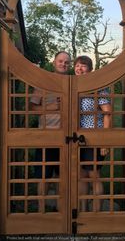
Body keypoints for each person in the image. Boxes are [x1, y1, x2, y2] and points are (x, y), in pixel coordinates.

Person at [74, 55, 111, 211]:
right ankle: (83, 211)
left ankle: (96, 214)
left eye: (83, 66)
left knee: (94, 176)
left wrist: (105, 141)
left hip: (94, 138)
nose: (79, 68)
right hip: (76, 138)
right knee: (81, 175)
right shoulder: (72, 85)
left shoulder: (98, 87)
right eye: (77, 65)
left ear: (90, 69)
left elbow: (107, 114)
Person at [30, 51, 71, 182]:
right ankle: (43, 203)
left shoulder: (73, 83)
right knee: (43, 176)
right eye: (60, 61)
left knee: (63, 176)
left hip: (67, 136)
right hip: (46, 136)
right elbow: (32, 108)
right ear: (54, 63)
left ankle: (60, 203)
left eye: (66, 62)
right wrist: (50, 108)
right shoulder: (44, 83)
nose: (63, 64)